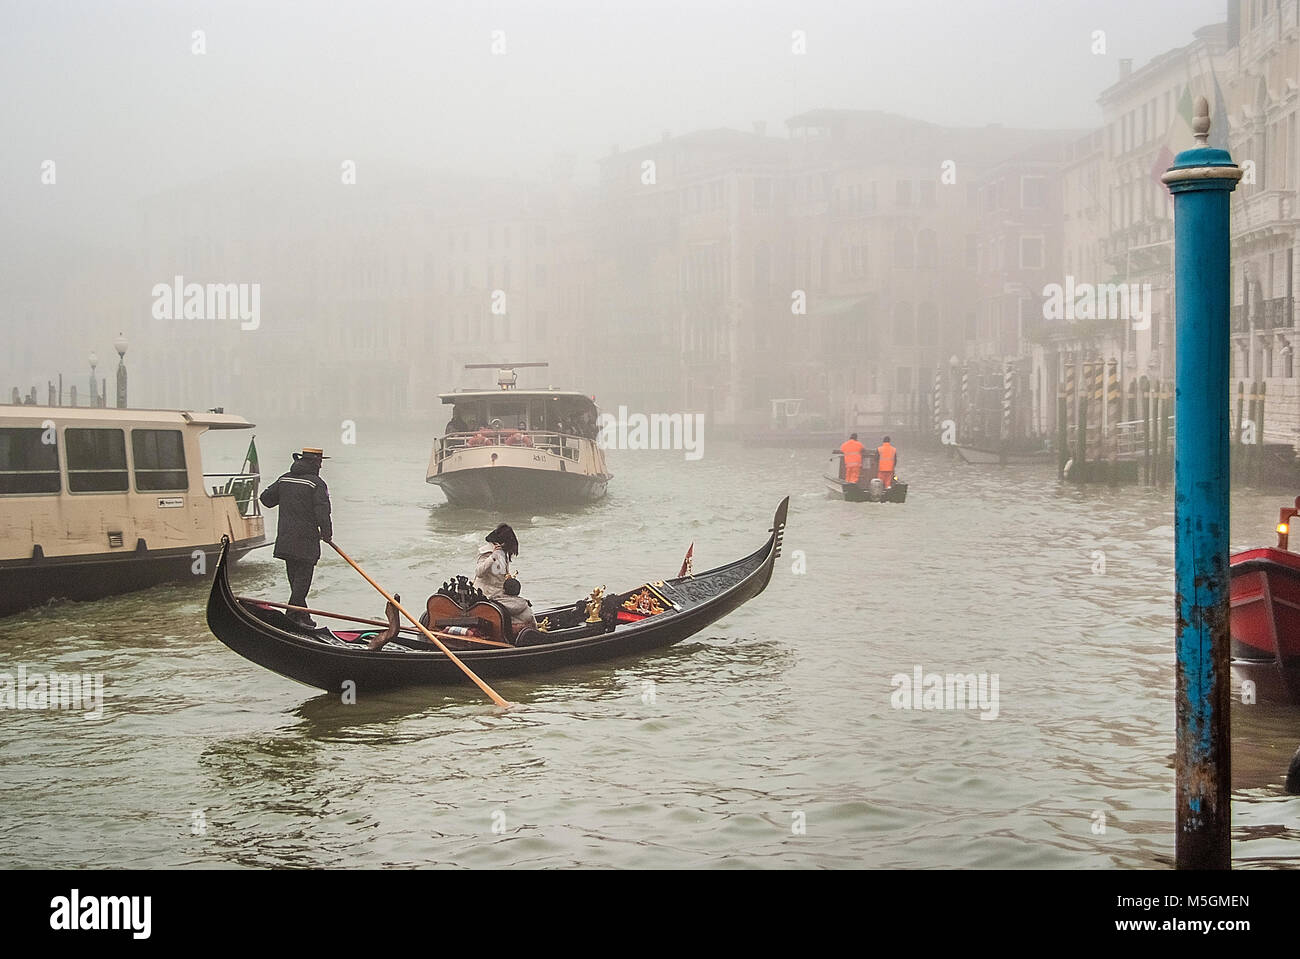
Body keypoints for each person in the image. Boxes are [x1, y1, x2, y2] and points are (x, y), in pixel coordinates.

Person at [259, 447, 333, 627]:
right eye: (320, 462)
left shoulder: (284, 479)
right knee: (302, 581)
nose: (321, 465)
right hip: (306, 541)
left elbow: (266, 499)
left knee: (295, 580)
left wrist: (288, 498)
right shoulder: (316, 483)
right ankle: (291, 615)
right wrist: (327, 534)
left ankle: (302, 616)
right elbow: (323, 512)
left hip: (285, 539)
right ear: (315, 462)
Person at [473, 522, 518, 599]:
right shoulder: (487, 552)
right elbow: (479, 572)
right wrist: (492, 557)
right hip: (486, 594)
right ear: (504, 542)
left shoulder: (503, 552)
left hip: (498, 593)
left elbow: (500, 575)